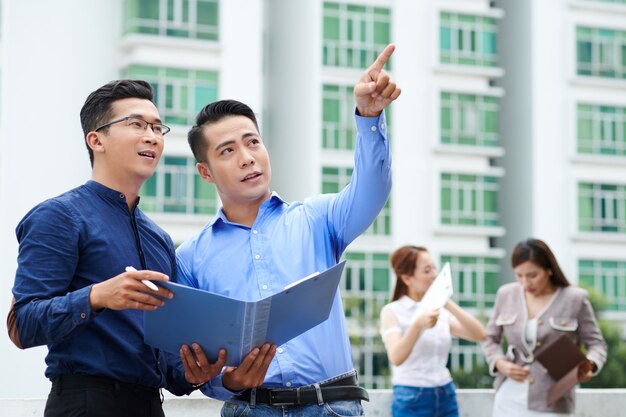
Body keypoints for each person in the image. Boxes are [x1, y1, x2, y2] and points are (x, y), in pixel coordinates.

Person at [7, 79, 273, 417]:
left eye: (158, 127)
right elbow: (22, 325)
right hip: (86, 403)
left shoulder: (159, 239)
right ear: (96, 139)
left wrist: (199, 371)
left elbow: (171, 367)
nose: (152, 136)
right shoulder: (59, 216)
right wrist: (97, 296)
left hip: (149, 405)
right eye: (136, 124)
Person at [175, 43, 400, 416]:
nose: (247, 157)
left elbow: (373, 188)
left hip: (330, 407)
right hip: (250, 409)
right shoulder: (190, 257)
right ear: (205, 172)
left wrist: (369, 116)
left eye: (253, 143)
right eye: (228, 151)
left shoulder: (316, 218)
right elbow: (194, 357)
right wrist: (229, 380)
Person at [481, 238, 607, 416]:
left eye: (532, 275)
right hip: (509, 396)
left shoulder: (575, 298)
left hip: (553, 400)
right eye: (519, 275)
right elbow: (489, 338)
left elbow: (597, 344)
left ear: (549, 270)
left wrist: (590, 365)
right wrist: (499, 362)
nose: (525, 283)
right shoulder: (506, 294)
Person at [379, 245, 487, 417]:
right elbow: (396, 357)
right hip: (411, 397)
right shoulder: (392, 311)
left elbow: (480, 334)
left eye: (434, 268)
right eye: (427, 270)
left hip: (446, 393)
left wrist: (446, 300)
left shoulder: (440, 311)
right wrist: (417, 326)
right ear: (407, 278)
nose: (434, 275)